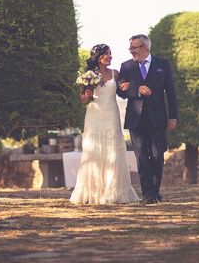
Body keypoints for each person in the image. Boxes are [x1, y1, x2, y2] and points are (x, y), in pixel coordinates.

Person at [70, 44, 140, 205]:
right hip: (94, 115)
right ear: (98, 57)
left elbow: (122, 93)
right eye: (106, 54)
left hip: (111, 114)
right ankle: (93, 191)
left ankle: (113, 190)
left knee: (113, 150)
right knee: (93, 149)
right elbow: (83, 99)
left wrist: (126, 86)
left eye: (110, 54)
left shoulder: (115, 73)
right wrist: (87, 95)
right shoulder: (89, 75)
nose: (110, 56)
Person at [117, 34, 178, 204]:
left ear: (145, 47)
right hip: (136, 119)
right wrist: (136, 89)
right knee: (141, 156)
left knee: (158, 155)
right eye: (130, 48)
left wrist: (173, 116)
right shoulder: (126, 66)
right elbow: (121, 92)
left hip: (158, 118)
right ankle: (147, 195)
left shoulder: (162, 64)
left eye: (134, 48)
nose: (131, 51)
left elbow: (171, 92)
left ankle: (155, 191)